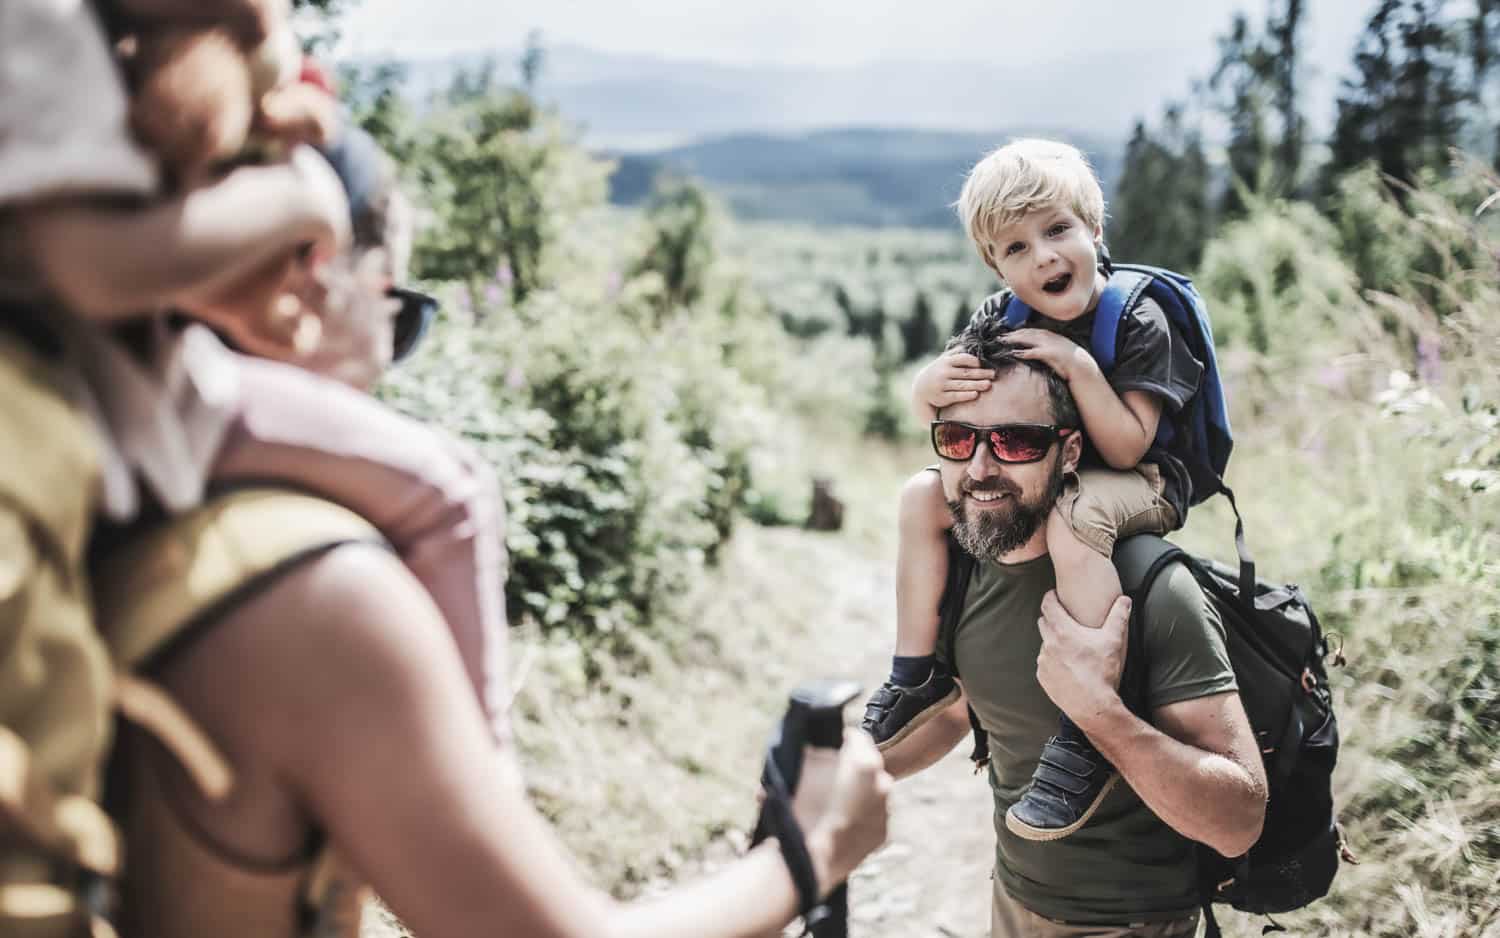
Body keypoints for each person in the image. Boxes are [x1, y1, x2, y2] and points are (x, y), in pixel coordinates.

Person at [87, 129, 892, 936]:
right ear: (312, 282)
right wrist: (815, 848)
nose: (385, 370)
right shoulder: (315, 595)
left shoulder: (87, 504)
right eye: (397, 313)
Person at [862, 138, 1208, 841]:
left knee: (1076, 516)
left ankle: (1090, 717)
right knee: (919, 496)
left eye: (1057, 231)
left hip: (1144, 479)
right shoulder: (1000, 317)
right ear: (996, 265)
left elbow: (1127, 445)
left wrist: (1079, 367)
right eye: (1016, 248)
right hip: (1055, 463)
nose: (1044, 257)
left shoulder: (1138, 316)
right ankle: (915, 673)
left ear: (1094, 230)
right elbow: (957, 417)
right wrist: (924, 391)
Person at [879, 313, 1265, 936]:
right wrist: (841, 779)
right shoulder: (967, 566)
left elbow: (1240, 819)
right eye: (957, 439)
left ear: (1071, 452)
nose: (979, 468)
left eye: (1017, 442)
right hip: (1011, 903)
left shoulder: (1152, 589)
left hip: (1134, 924)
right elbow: (961, 711)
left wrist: (1101, 716)